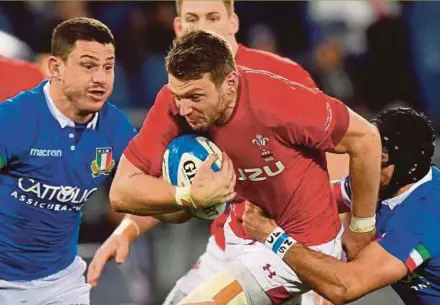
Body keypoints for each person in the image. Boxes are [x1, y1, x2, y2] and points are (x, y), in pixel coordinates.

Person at [87, 2, 349, 304]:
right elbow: (172, 185)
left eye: (213, 18)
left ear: (233, 22)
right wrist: (128, 230)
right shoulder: (181, 97)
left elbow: (337, 151)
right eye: (193, 19)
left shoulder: (283, 75)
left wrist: (335, 249)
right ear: (179, 28)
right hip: (231, 241)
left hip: (294, 243)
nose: (204, 28)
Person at [0, 17, 137, 305]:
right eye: (88, 66)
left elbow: (149, 188)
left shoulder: (117, 129)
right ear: (55, 68)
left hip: (61, 283)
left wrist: (129, 228)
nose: (100, 78)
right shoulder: (14, 120)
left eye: (108, 67)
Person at [243, 107, 440, 305]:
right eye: (367, 154)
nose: (366, 165)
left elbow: (346, 287)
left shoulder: (424, 215)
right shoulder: (382, 182)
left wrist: (273, 236)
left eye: (378, 161)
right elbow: (309, 200)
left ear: (405, 168)